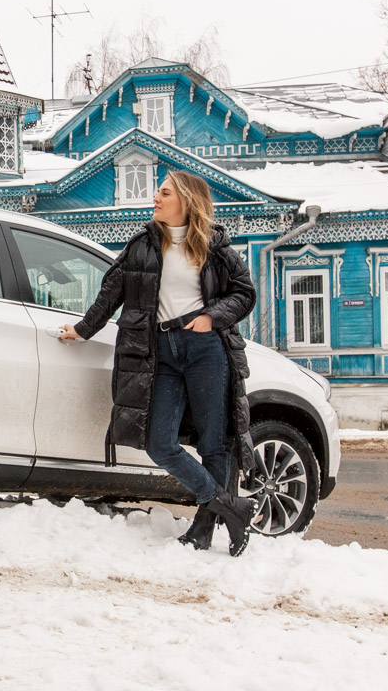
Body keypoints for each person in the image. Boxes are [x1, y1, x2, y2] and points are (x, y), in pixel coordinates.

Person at [58, 170, 260, 557]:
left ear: (185, 200)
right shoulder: (143, 246)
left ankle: (204, 528)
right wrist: (83, 329)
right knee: (159, 443)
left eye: (164, 193)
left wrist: (212, 317)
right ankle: (231, 506)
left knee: (215, 443)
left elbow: (244, 294)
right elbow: (111, 291)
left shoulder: (216, 248)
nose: (155, 197)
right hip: (161, 351)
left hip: (206, 348)